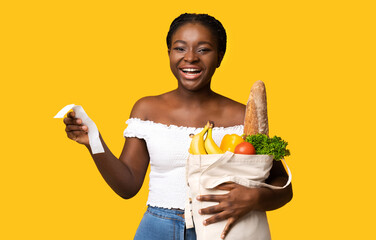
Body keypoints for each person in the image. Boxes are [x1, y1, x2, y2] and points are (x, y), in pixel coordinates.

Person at [63, 13, 293, 240]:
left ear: (220, 56)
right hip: (157, 229)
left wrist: (254, 198)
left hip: (223, 229)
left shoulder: (243, 116)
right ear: (169, 53)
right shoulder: (146, 109)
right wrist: (92, 139)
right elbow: (128, 186)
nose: (190, 57)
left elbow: (284, 187)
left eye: (203, 49)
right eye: (180, 48)